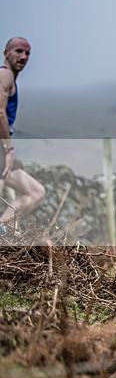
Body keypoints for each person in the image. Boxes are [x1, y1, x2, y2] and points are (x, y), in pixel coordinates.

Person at [0, 38, 46, 234]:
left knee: (36, 192)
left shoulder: (10, 79)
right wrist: (9, 149)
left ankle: (2, 229)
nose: (24, 57)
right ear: (6, 53)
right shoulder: (5, 75)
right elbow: (0, 112)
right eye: (19, 51)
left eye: (28, 53)